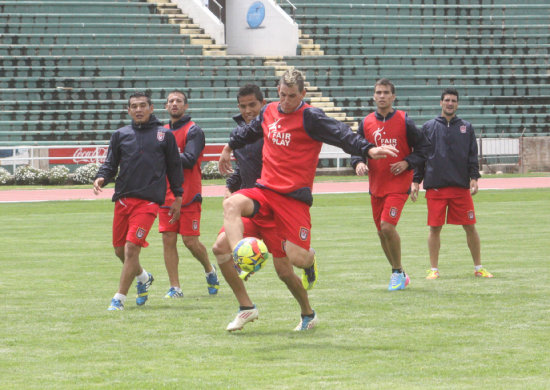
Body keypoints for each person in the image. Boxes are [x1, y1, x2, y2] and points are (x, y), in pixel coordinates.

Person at [219, 69, 398, 331]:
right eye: (282, 95)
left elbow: (341, 134)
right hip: (265, 192)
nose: (286, 101)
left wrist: (368, 149)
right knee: (230, 207)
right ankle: (242, 262)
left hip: (293, 200)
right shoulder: (269, 111)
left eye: (292, 96)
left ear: (303, 94)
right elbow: (248, 132)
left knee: (294, 263)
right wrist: (228, 147)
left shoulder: (311, 117)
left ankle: (309, 291)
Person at [93, 91, 184, 311]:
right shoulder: (120, 135)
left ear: (151, 108)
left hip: (148, 203)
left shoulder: (164, 135)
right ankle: (143, 277)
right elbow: (111, 163)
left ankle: (119, 299)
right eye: (134, 106)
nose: (138, 109)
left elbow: (174, 167)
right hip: (123, 200)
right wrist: (102, 177)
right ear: (129, 110)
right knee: (118, 250)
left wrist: (178, 197)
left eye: (143, 105)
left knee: (132, 248)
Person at [351, 78, 429, 292]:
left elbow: (423, 149)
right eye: (379, 92)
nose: (382, 96)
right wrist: (358, 163)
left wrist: (407, 163)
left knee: (387, 226)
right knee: (381, 232)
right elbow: (356, 148)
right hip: (376, 185)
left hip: (398, 184)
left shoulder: (404, 120)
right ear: (374, 96)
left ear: (393, 97)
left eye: (386, 92)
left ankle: (396, 272)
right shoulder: (366, 123)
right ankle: (400, 272)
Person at [411, 88, 493, 279]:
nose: (450, 103)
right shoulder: (429, 127)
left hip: (460, 186)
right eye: (447, 100)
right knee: (434, 228)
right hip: (436, 186)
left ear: (457, 104)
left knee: (470, 226)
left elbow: (472, 155)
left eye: (453, 101)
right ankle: (434, 269)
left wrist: (474, 177)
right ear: (441, 103)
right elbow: (421, 156)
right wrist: (416, 180)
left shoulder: (466, 127)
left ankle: (478, 267)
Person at [212, 84, 273, 331]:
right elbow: (242, 169)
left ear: (263, 103)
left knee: (293, 262)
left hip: (276, 203)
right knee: (218, 248)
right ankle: (246, 307)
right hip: (250, 205)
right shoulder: (239, 133)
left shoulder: (273, 130)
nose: (248, 110)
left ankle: (307, 311)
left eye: (253, 105)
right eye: (243, 106)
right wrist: (230, 185)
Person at [159, 90, 219, 298]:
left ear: (186, 107)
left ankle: (210, 269)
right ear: (166, 107)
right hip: (165, 195)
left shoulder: (194, 131)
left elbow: (190, 159)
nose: (174, 104)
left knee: (190, 241)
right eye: (171, 101)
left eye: (179, 101)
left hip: (188, 194)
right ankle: (175, 287)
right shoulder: (161, 131)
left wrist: (165, 153)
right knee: (168, 238)